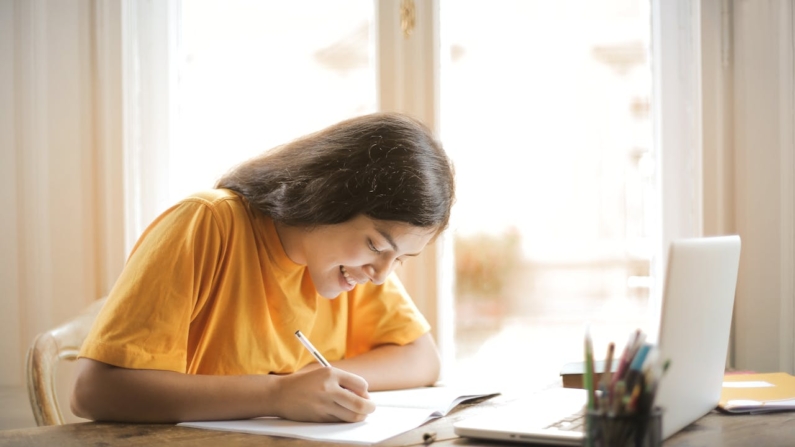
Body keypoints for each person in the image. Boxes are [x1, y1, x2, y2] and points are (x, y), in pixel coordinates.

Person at [71, 112, 456, 424]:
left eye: (400, 259)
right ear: (328, 197)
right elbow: (93, 391)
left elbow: (422, 358)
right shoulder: (207, 223)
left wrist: (314, 381)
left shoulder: (354, 267)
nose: (382, 274)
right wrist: (277, 394)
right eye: (375, 245)